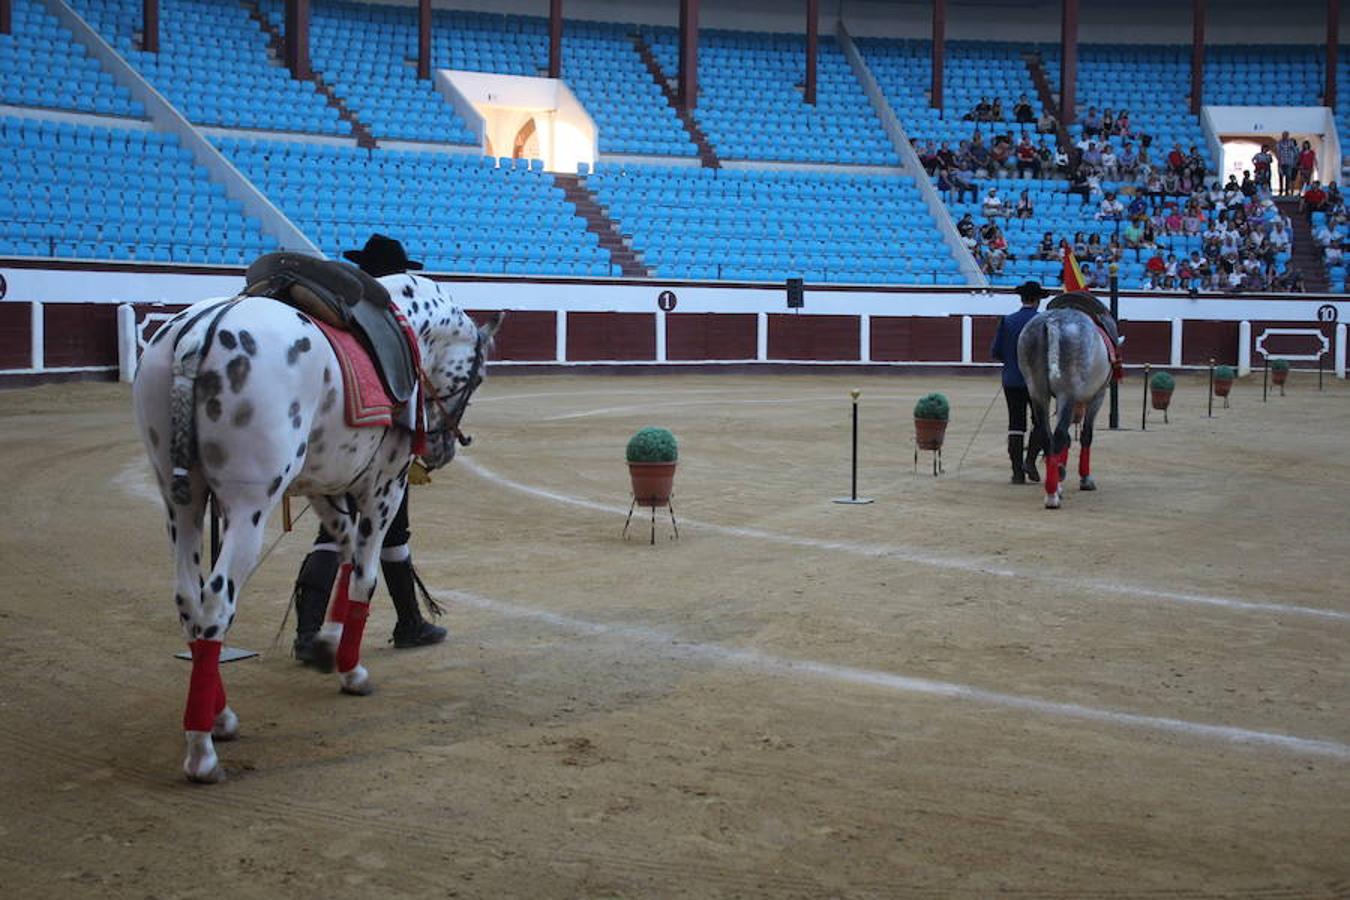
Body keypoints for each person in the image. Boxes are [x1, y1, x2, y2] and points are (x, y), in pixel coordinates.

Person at [291, 234, 447, 665]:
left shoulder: (336, 317)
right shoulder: (393, 321)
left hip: (333, 436)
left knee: (331, 531)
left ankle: (307, 633)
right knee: (391, 532)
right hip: (380, 441)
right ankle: (409, 623)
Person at [990, 281, 1047, 484]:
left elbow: (995, 352)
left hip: (1012, 380)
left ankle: (1017, 473)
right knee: (1041, 423)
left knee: (1015, 425)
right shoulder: (1043, 322)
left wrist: (1012, 362)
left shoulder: (1007, 321)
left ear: (1022, 299)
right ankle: (1030, 461)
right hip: (1038, 382)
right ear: (1038, 300)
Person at [1274, 131, 1299, 196]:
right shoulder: (1279, 143)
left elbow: (1295, 152)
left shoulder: (1291, 143)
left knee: (1288, 177)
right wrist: (1278, 159)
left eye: (1286, 135)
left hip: (1289, 162)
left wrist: (1294, 160)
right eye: (1283, 135)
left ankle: (1287, 191)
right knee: (1281, 177)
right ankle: (1281, 190)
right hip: (1281, 162)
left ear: (1288, 136)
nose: (1285, 136)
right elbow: (1277, 151)